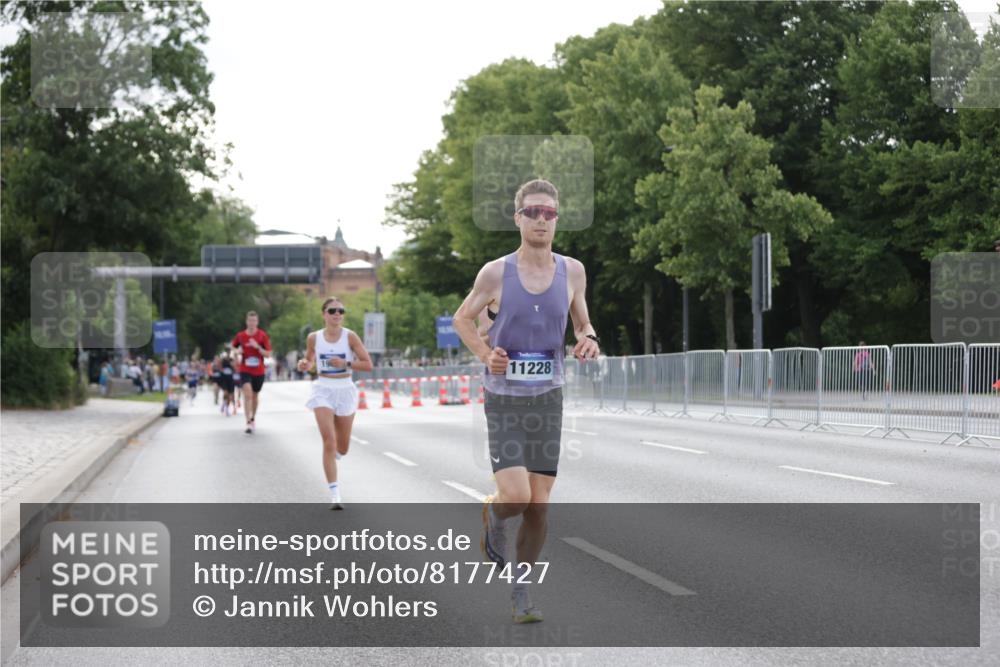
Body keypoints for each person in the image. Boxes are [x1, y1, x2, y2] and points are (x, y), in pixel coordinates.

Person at [452, 178, 600, 624]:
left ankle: (522, 589)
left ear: (557, 219)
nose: (541, 219)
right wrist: (485, 354)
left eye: (548, 213)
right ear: (518, 218)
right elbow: (463, 319)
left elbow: (582, 322)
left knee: (539, 504)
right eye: (532, 212)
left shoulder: (572, 271)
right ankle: (494, 516)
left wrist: (588, 339)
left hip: (548, 400)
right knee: (515, 497)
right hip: (504, 400)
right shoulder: (496, 273)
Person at [297, 297, 373, 510]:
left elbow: (368, 364)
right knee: (329, 441)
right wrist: (305, 364)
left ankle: (336, 455)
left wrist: (345, 363)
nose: (337, 314)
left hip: (345, 390)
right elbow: (310, 360)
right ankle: (335, 494)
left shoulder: (350, 337)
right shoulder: (314, 338)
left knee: (343, 447)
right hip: (323, 389)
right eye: (333, 310)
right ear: (324, 314)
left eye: (341, 310)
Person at [232, 311, 272, 434]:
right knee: (247, 394)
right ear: (246, 321)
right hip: (245, 369)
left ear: (257, 322)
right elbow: (233, 348)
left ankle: (253, 417)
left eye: (254, 321)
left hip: (259, 371)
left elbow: (268, 353)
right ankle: (248, 422)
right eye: (250, 320)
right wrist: (237, 351)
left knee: (255, 396)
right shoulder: (240, 336)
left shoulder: (262, 336)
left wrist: (257, 347)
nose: (252, 323)